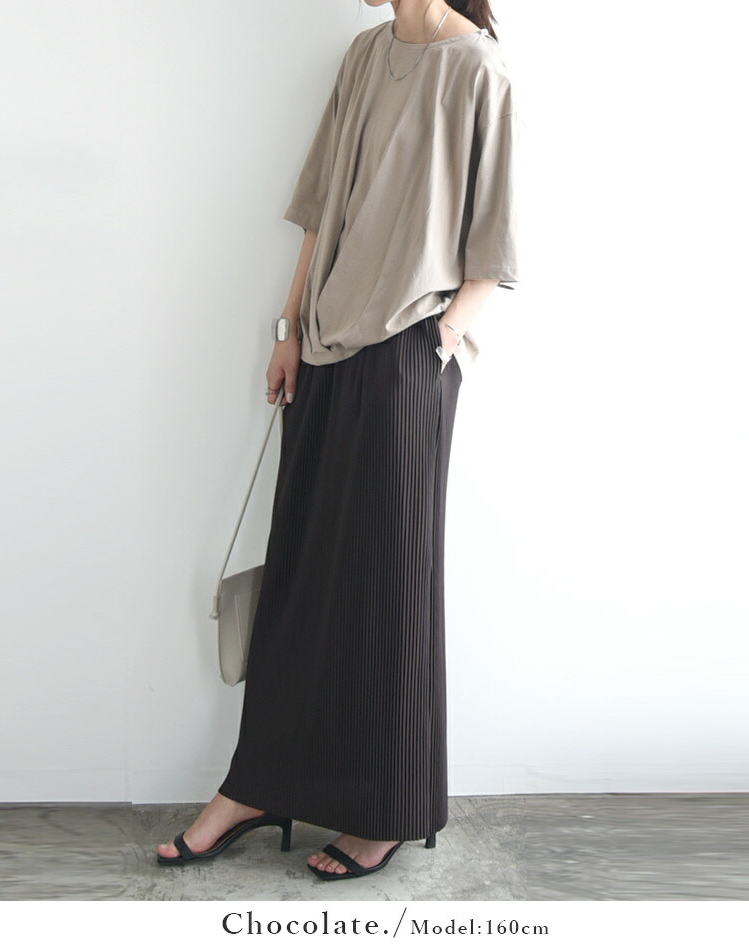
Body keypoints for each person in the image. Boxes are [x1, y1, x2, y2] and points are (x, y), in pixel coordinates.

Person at [157, 0, 519, 881]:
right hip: (323, 345)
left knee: (389, 582)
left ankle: (384, 810)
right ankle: (254, 787)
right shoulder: (363, 54)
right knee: (301, 573)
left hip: (406, 354)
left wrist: (438, 339)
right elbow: (321, 209)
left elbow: (495, 243)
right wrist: (287, 328)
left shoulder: (479, 69)